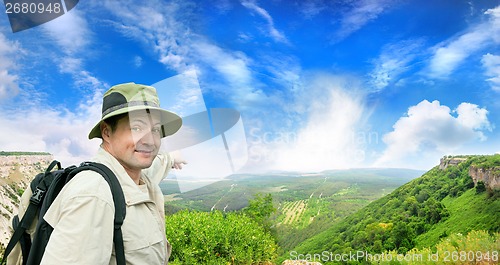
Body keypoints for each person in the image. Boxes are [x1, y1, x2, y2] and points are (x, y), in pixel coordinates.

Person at [8, 82, 186, 264]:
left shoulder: (134, 176)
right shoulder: (93, 195)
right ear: (107, 132)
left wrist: (172, 158)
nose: (150, 141)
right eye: (136, 128)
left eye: (155, 129)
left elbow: (155, 166)